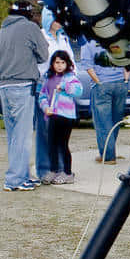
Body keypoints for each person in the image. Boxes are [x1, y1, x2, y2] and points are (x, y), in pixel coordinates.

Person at [0, 0, 48, 191]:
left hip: (4, 86)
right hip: (23, 84)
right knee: (23, 135)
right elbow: (44, 55)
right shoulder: (30, 27)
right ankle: (15, 180)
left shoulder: (3, 29)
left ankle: (21, 175)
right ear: (28, 13)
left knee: (13, 135)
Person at [79, 37, 130, 164]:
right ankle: (109, 151)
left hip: (102, 85)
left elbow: (87, 65)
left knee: (103, 121)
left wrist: (98, 82)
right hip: (120, 84)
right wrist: (125, 80)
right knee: (115, 119)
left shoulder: (88, 42)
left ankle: (108, 156)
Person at [39, 50, 83, 184]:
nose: (59, 65)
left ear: (67, 63)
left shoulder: (70, 77)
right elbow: (42, 95)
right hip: (53, 115)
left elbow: (78, 90)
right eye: (57, 62)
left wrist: (64, 86)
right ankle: (54, 170)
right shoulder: (48, 78)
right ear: (52, 63)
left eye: (62, 62)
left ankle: (68, 173)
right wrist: (45, 107)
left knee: (63, 144)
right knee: (52, 144)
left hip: (66, 116)